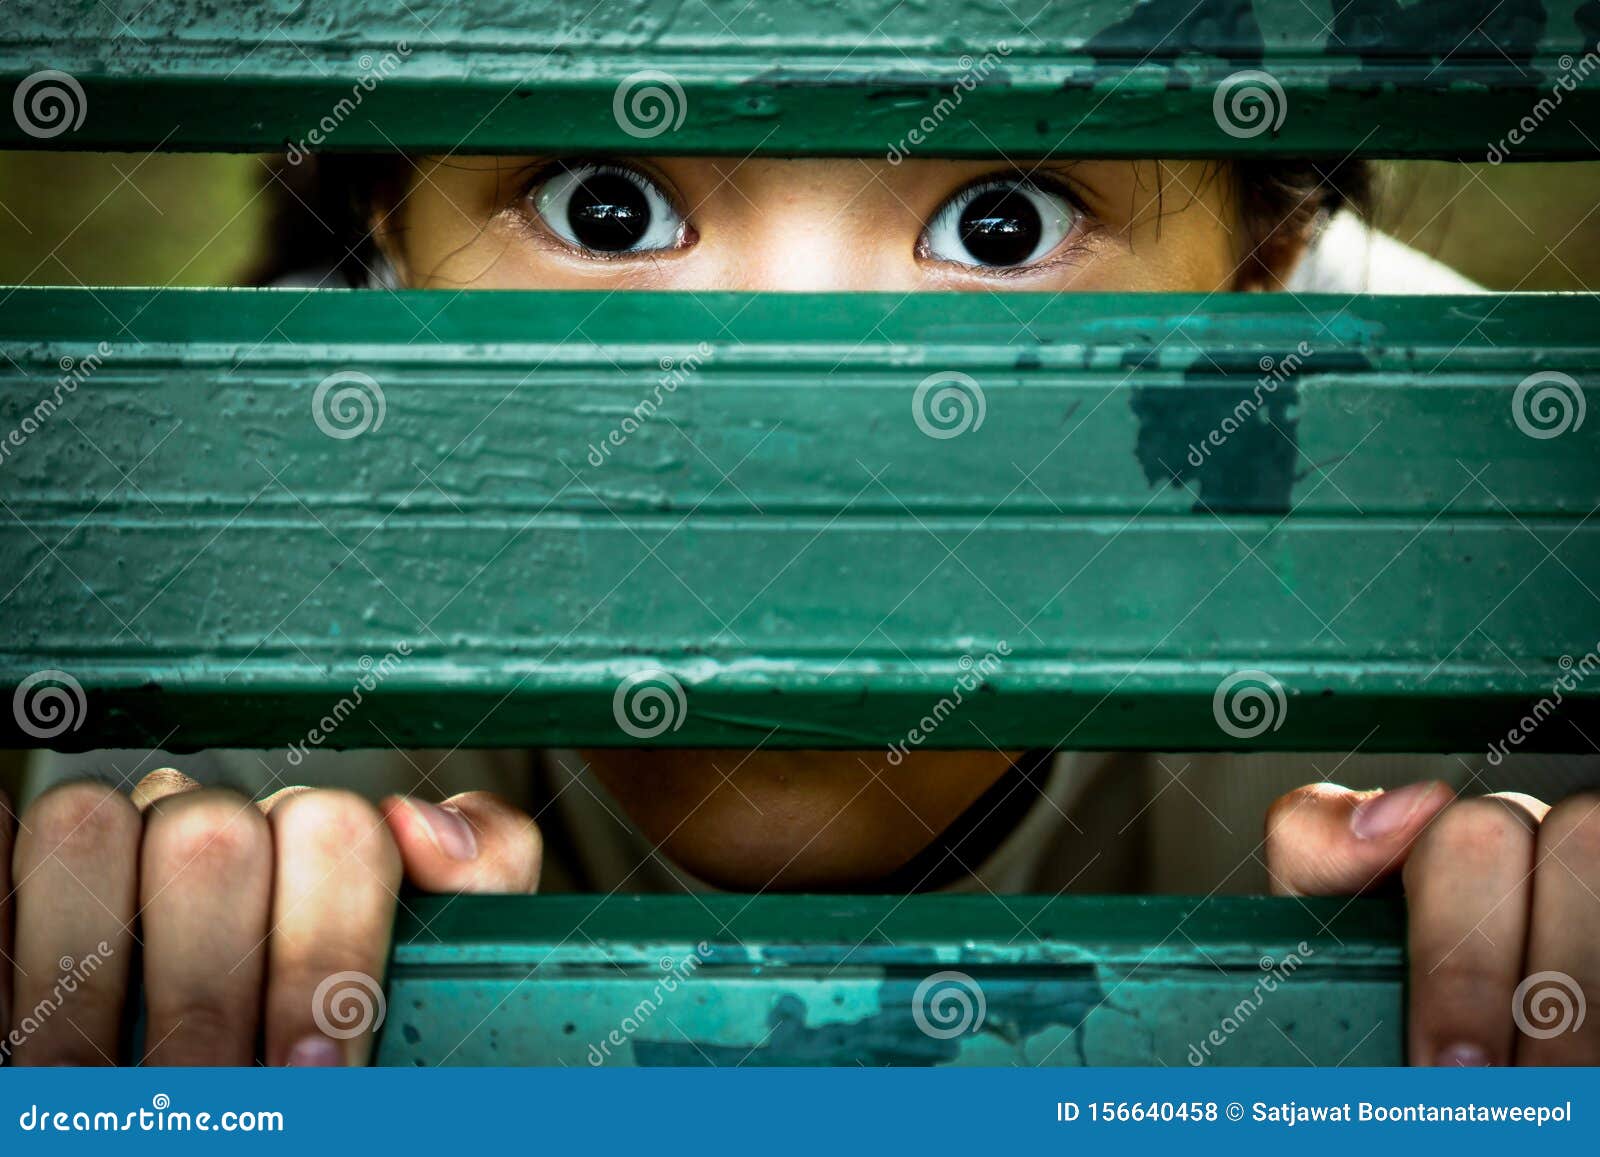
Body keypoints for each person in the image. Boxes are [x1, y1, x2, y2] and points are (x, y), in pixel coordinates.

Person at [3, 154, 1595, 1068]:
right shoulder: (227, 608)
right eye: (608, 210)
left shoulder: (1487, 569)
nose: (786, 439)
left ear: (1263, 281)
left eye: (1004, 223)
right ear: (386, 261)